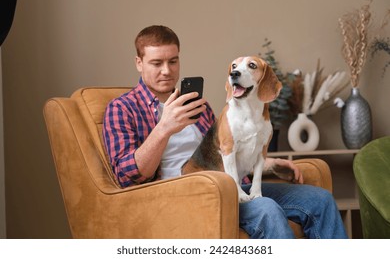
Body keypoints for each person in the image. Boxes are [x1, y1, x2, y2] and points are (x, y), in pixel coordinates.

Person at [103, 25, 348, 239]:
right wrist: (164, 128)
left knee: (320, 200)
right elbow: (127, 177)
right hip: (182, 192)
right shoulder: (122, 109)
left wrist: (269, 163)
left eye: (173, 61)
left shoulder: (196, 104)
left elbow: (224, 151)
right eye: (156, 63)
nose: (167, 71)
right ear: (139, 63)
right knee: (266, 209)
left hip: (230, 185)